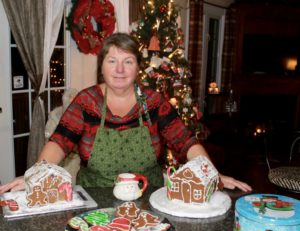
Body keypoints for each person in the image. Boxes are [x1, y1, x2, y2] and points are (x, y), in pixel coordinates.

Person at [0, 32, 252, 193]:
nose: (119, 69)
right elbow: (59, 142)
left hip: (148, 196)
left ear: (137, 68)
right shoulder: (86, 102)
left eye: (128, 61)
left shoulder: (153, 102)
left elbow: (185, 141)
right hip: (94, 197)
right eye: (112, 61)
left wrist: (213, 174)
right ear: (102, 67)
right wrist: (34, 176)